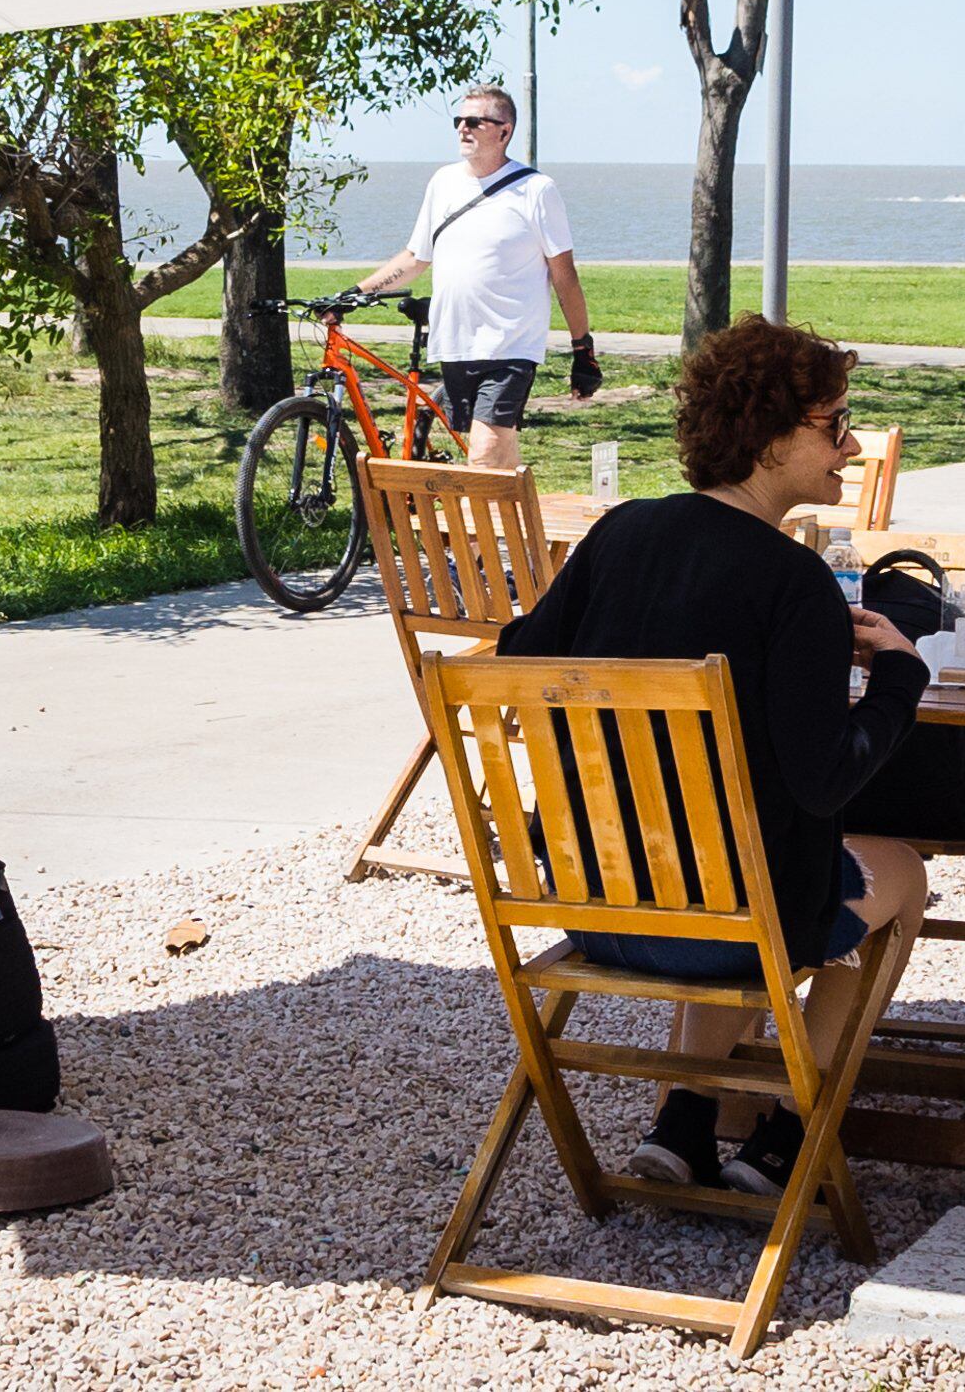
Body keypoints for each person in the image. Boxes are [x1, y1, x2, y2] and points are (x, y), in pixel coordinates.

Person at [497, 315, 930, 1195]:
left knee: (718, 850)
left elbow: (515, 659)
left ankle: (686, 1118)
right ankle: (789, 1129)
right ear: (771, 437)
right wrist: (898, 679)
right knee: (903, 873)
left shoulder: (618, 536)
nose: (849, 448)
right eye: (833, 424)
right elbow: (824, 778)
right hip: (731, 928)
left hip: (596, 906)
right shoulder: (792, 582)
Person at [352, 83, 595, 471]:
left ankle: (479, 532)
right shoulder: (443, 183)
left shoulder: (537, 190)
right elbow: (416, 257)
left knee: (482, 457)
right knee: (498, 457)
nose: (463, 128)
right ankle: (515, 529)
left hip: (510, 347)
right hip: (455, 344)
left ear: (504, 131)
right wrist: (355, 293)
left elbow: (564, 276)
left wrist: (583, 349)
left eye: (475, 121)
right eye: (459, 120)